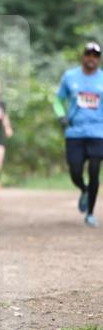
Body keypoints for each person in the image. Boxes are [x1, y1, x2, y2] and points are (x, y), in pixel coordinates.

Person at [54, 40, 103, 227]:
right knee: (75, 171)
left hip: (98, 132)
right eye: (88, 54)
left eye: (95, 56)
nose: (91, 58)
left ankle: (90, 213)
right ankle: (84, 189)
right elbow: (58, 100)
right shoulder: (70, 76)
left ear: (99, 59)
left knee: (94, 170)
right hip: (75, 132)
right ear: (83, 56)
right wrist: (61, 116)